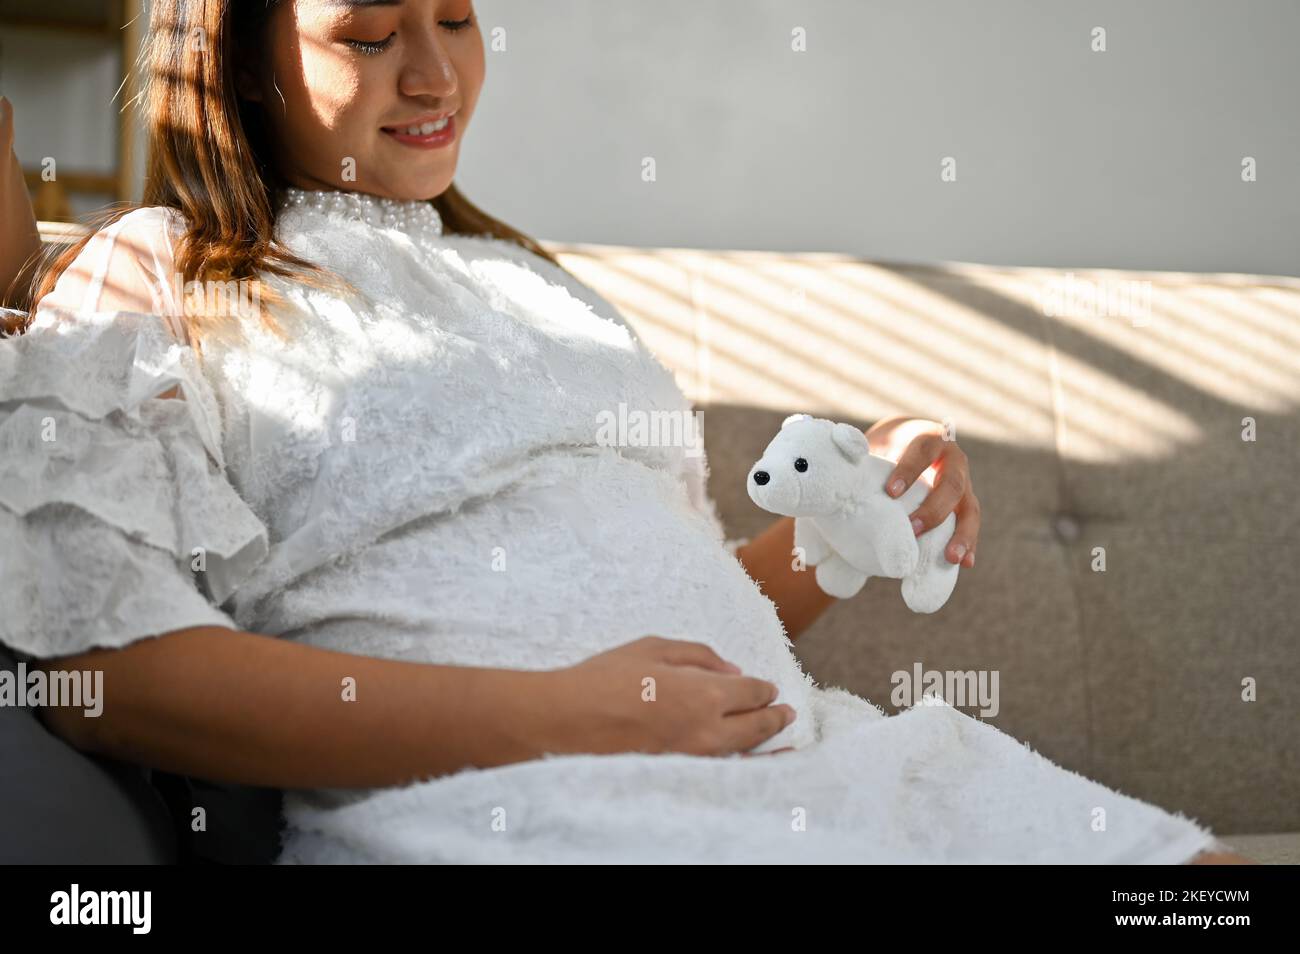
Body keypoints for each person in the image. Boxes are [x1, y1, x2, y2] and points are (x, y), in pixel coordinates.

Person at [0, 0, 1246, 863]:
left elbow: (700, 605)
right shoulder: (153, 274)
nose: (434, 77)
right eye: (369, 34)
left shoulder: (539, 285)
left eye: (457, 20)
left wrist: (849, 518)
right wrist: (571, 715)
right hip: (518, 800)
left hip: (822, 756)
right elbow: (113, 675)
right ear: (233, 55)